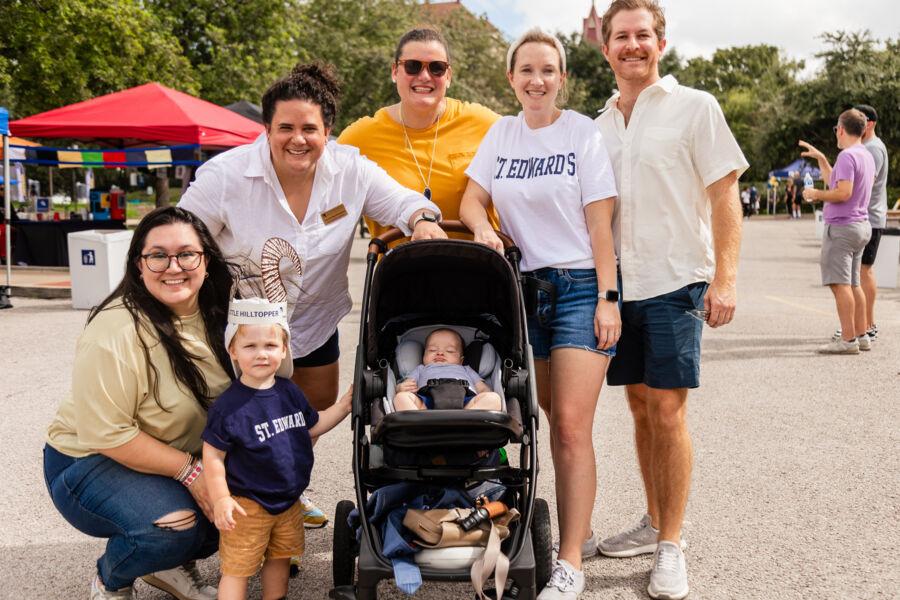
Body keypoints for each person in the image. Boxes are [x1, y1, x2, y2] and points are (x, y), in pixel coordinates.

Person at [178, 62, 445, 525]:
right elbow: (180, 236)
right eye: (285, 128)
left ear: (328, 131)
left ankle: (282, 494)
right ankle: (230, 503)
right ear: (267, 129)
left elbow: (404, 201)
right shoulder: (227, 176)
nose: (297, 139)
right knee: (233, 420)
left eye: (309, 129)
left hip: (314, 323)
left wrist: (422, 220)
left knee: (305, 419)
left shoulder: (350, 172)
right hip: (240, 327)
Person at [594, 2, 748, 599]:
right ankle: (654, 520)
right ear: (605, 47)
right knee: (638, 406)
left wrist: (725, 279)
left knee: (667, 411)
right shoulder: (598, 124)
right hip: (619, 288)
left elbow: (725, 194)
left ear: (661, 43)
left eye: (642, 35)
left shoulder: (695, 107)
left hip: (675, 280)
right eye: (621, 36)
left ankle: (671, 545)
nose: (632, 45)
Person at [461, 28, 620, 600]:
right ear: (512, 78)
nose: (537, 80)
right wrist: (482, 227)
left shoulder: (581, 132)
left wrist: (608, 298)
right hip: (522, 290)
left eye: (548, 70)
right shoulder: (501, 134)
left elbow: (601, 222)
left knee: (572, 427)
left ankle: (570, 560)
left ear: (562, 78)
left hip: (579, 286)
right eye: (526, 70)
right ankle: (581, 522)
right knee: (544, 417)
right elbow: (471, 197)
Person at [43, 206, 236, 600]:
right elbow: (108, 435)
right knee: (174, 525)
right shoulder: (115, 329)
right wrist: (193, 474)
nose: (173, 267)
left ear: (206, 259)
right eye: (158, 255)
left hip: (174, 454)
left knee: (245, 504)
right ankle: (111, 579)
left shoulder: (223, 314)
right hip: (88, 459)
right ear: (139, 264)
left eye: (186, 254)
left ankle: (168, 564)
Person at [202, 298, 351, 600]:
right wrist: (220, 499)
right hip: (247, 505)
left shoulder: (289, 391)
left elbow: (312, 426)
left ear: (284, 349)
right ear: (233, 350)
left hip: (288, 501)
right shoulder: (229, 406)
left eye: (270, 345)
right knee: (238, 568)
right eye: (250, 346)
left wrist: (344, 406)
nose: (261, 354)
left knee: (280, 558)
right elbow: (213, 456)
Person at [338, 27, 501, 241]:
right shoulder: (359, 138)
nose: (424, 76)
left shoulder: (484, 124)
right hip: (398, 262)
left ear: (448, 76)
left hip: (480, 260)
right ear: (395, 72)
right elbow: (327, 198)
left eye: (437, 68)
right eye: (412, 66)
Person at [799, 108, 875, 354]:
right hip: (860, 226)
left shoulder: (847, 156)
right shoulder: (865, 155)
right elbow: (838, 182)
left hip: (842, 227)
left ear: (841, 129)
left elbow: (843, 193)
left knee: (839, 284)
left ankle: (848, 340)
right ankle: (861, 335)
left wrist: (815, 194)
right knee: (853, 284)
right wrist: (822, 159)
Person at [393, 328, 502, 411]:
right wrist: (400, 388)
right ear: (423, 357)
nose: (440, 353)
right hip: (427, 403)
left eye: (450, 351)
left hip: (465, 403)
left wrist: (485, 394)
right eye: (432, 350)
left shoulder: (466, 369)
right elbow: (408, 385)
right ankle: (424, 422)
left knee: (494, 398)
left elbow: (482, 388)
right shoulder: (421, 369)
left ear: (461, 360)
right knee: (401, 398)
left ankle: (465, 419)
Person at [854, 104, 888, 343]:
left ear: (870, 123)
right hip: (864, 217)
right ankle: (860, 324)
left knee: (864, 270)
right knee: (859, 271)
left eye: (860, 118)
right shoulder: (865, 146)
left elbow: (865, 183)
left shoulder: (873, 148)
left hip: (870, 218)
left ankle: (868, 324)